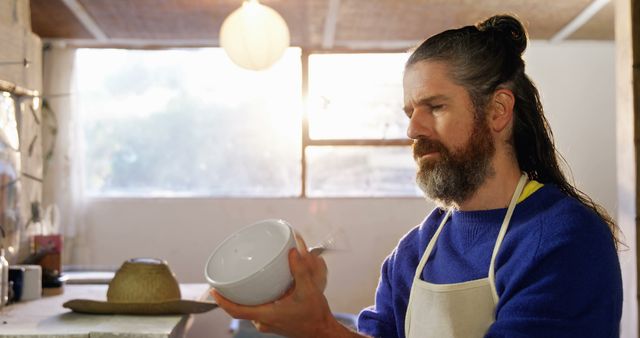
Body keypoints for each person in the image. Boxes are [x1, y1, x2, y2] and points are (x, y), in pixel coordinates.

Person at [212, 14, 623, 338]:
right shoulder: (417, 250)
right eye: (411, 112)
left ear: (498, 111)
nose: (413, 129)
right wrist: (305, 317)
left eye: (436, 107)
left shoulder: (563, 238)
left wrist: (321, 330)